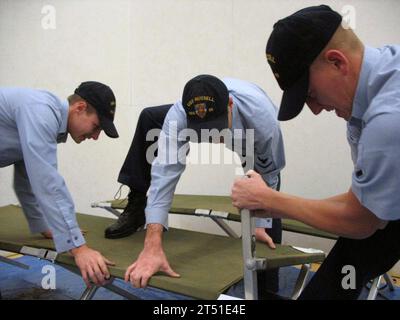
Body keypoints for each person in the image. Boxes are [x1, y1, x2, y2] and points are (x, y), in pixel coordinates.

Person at [232, 5, 400, 299]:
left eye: (309, 94)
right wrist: (273, 202)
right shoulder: (368, 96)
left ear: (337, 62)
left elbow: (362, 221)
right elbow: (363, 203)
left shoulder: (387, 119)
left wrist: (270, 200)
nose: (315, 109)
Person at [114, 75, 285, 297]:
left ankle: (267, 291)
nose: (213, 137)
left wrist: (260, 223)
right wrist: (152, 244)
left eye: (217, 127)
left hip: (252, 139)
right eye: (202, 130)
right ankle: (136, 208)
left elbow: (269, 175)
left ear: (230, 106)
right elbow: (162, 178)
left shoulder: (262, 121)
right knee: (150, 117)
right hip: (212, 120)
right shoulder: (177, 116)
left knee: (266, 223)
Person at [0, 81, 119, 287]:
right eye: (97, 126)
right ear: (80, 108)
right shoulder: (41, 112)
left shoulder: (45, 117)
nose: (96, 136)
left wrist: (43, 226)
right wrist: (78, 248)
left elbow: (26, 180)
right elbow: (48, 183)